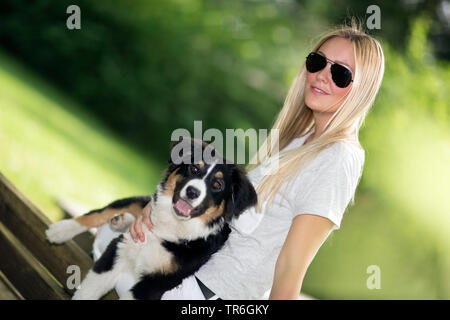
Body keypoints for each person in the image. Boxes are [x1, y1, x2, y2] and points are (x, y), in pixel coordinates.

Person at [128, 22, 385, 300]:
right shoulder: (299, 139)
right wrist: (156, 213)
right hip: (185, 267)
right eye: (317, 62)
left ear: (362, 90)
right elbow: (226, 210)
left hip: (206, 293)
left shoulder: (339, 159)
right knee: (110, 238)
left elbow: (290, 268)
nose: (322, 75)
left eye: (340, 73)